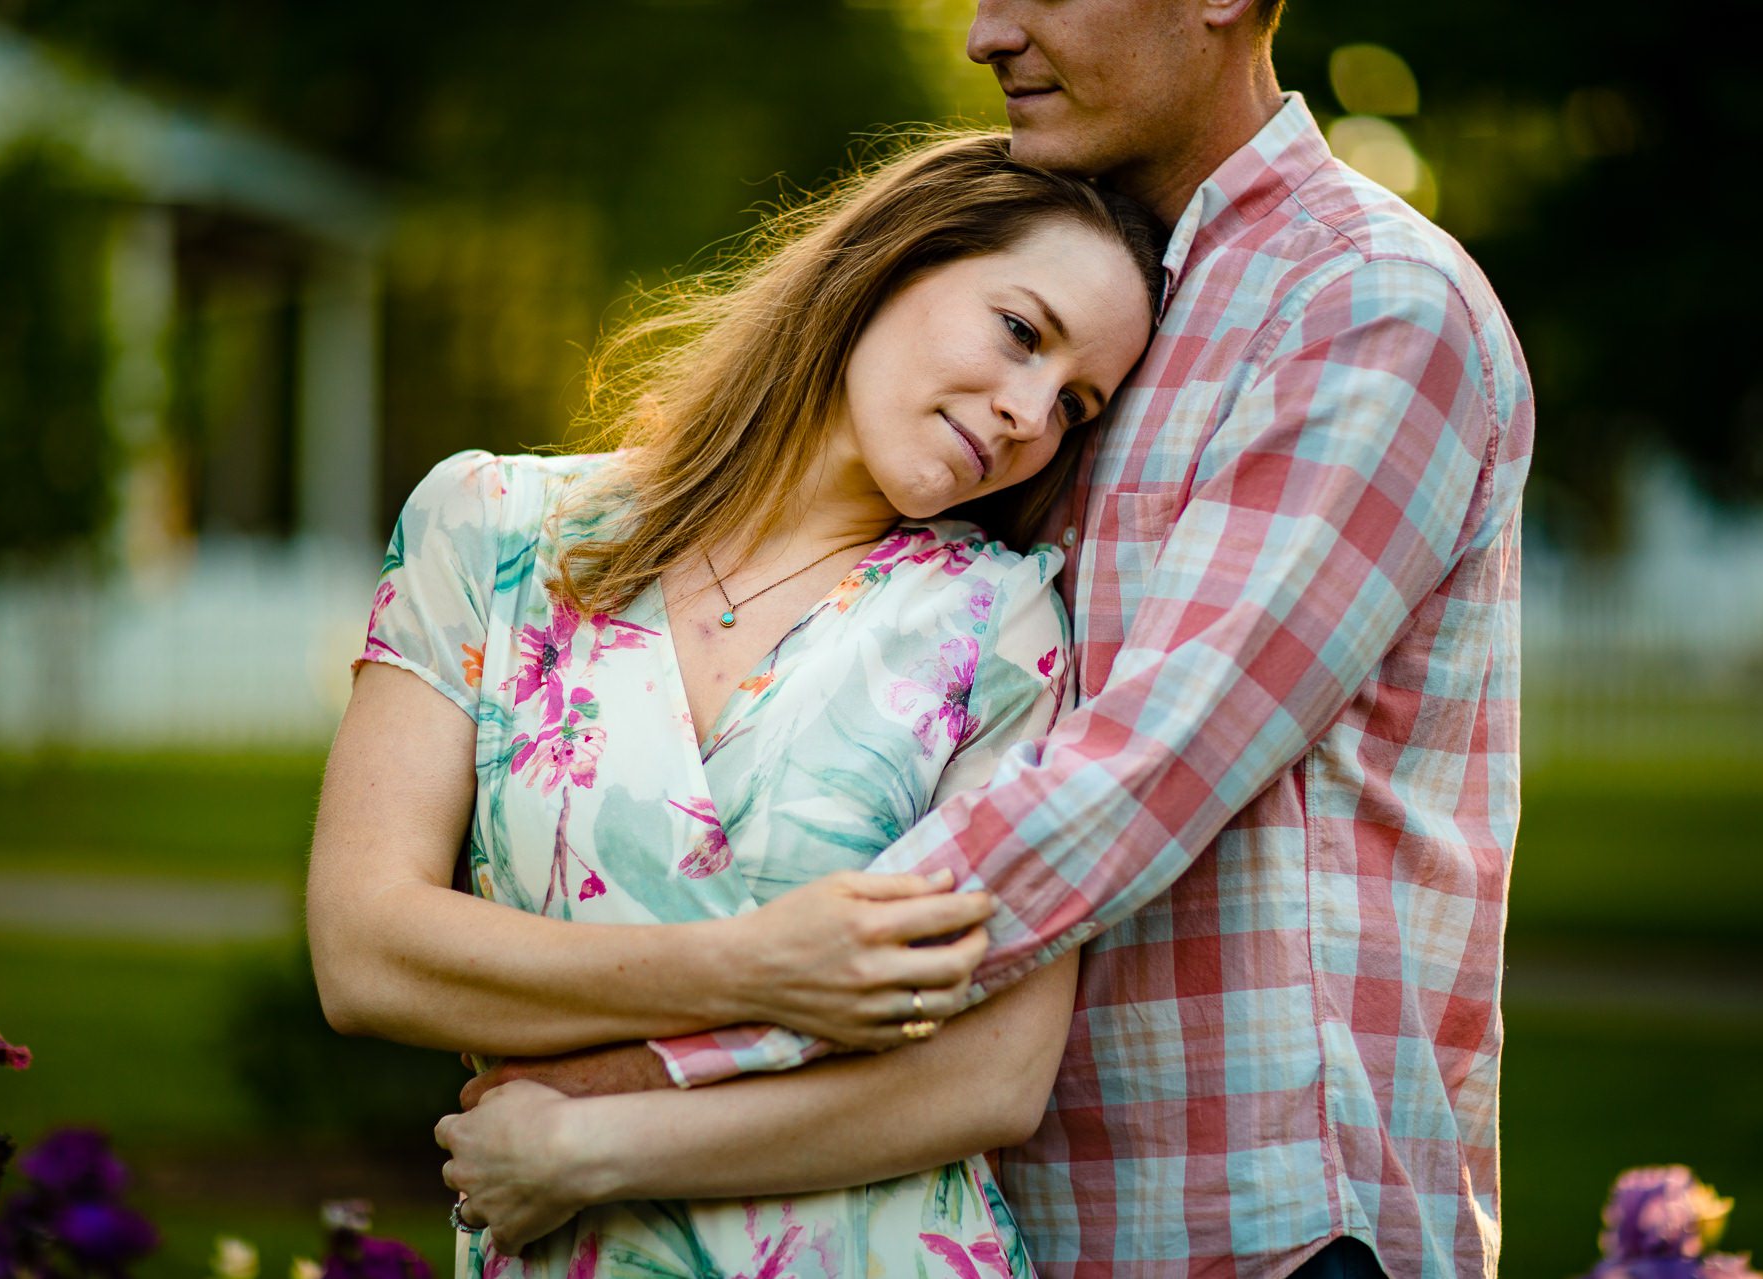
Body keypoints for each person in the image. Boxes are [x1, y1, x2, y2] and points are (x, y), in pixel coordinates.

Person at [433, 1, 1534, 1277]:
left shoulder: (1363, 308)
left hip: (1259, 1221)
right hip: (1006, 1219)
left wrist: (629, 1072)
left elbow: (1138, 776)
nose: (983, 33)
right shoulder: (1106, 291)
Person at [306, 133, 1166, 1279]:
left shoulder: (1000, 629)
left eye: (1076, 402)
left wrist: (590, 1146)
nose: (1028, 413)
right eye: (1020, 333)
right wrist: (759, 965)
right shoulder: (491, 532)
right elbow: (365, 951)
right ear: (895, 259)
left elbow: (987, 1078)